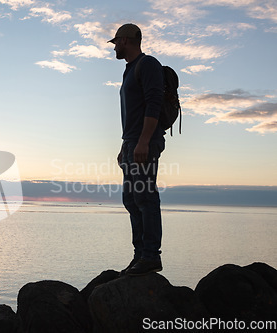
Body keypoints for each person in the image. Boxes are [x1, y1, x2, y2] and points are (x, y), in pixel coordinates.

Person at [109, 23, 165, 276]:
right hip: (131, 142)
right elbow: (132, 112)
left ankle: (151, 256)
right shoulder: (128, 70)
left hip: (145, 142)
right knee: (131, 199)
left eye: (116, 42)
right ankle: (139, 255)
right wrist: (126, 145)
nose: (114, 47)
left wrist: (143, 141)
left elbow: (154, 104)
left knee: (145, 197)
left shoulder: (148, 64)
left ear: (127, 40)